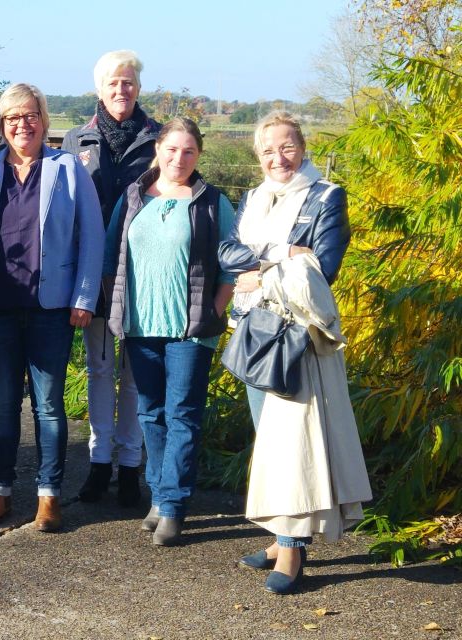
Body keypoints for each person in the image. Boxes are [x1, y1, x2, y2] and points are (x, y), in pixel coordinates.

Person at [219, 111, 370, 594]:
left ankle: (291, 548)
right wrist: (283, 254)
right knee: (269, 440)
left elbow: (323, 267)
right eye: (267, 151)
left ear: (302, 147)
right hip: (252, 329)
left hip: (296, 335)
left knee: (293, 444)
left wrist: (257, 272)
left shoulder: (326, 197)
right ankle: (281, 535)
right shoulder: (253, 198)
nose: (276, 158)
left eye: (286, 147)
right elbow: (226, 253)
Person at [0, 83, 105, 531]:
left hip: (51, 308)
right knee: (0, 403)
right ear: (1, 125)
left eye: (31, 115)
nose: (23, 124)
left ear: (44, 119)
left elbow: (91, 237)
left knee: (49, 405)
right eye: (13, 117)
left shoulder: (68, 169)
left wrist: (83, 297)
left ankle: (48, 493)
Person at [104, 117, 236, 546]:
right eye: (172, 149)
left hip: (189, 330)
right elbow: (111, 258)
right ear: (158, 149)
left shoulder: (213, 202)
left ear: (198, 156)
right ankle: (160, 496)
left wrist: (214, 312)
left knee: (182, 415)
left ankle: (174, 505)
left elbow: (232, 265)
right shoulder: (132, 197)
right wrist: (118, 309)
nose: (179, 158)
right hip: (142, 327)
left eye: (189, 151)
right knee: (150, 413)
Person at [61, 50, 161, 507]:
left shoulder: (159, 139)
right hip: (92, 271)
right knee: (99, 368)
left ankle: (130, 468)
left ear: (138, 87)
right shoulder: (75, 141)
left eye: (129, 83)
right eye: (113, 83)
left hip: (144, 270)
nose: (122, 91)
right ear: (99, 89)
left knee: (135, 374)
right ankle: (99, 465)